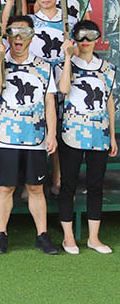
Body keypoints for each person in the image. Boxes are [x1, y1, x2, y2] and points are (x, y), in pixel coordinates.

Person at [0, 15, 60, 255]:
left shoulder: (44, 67)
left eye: (24, 32)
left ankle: (42, 235)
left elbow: (50, 102)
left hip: (35, 136)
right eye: (14, 32)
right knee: (5, 187)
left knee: (36, 188)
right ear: (7, 36)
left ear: (32, 36)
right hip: (6, 137)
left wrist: (52, 133)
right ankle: (1, 235)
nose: (19, 38)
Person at [4, 0, 78, 196]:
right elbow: (4, 29)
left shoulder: (70, 21)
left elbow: (79, 50)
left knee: (58, 131)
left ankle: (57, 178)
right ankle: (31, 181)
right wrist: (10, 0)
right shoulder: (29, 21)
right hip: (35, 81)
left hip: (63, 81)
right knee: (35, 128)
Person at [57, 20, 116, 254]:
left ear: (97, 38)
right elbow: (63, 89)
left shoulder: (107, 68)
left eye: (90, 36)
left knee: (95, 185)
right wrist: (67, 57)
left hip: (99, 134)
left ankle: (93, 237)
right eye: (80, 36)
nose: (85, 41)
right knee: (68, 184)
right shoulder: (66, 64)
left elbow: (109, 102)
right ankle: (68, 237)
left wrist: (112, 136)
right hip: (71, 133)